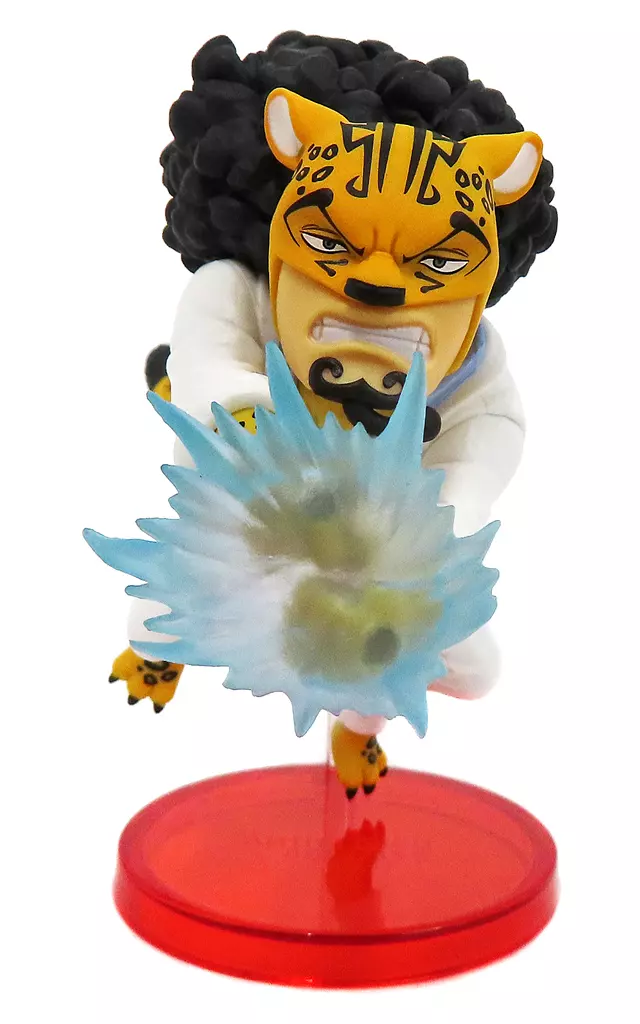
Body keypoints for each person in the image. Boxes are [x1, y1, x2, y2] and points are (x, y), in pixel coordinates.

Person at [109, 31, 557, 795]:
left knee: (443, 662)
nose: (378, 286)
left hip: (378, 535)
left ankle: (357, 732)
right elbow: (206, 358)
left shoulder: (473, 356)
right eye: (330, 243)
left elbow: (494, 428)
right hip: (251, 494)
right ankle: (156, 653)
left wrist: (450, 508)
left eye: (435, 263)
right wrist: (241, 405)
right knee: (175, 597)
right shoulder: (237, 291)